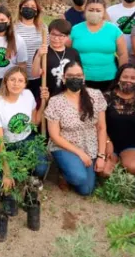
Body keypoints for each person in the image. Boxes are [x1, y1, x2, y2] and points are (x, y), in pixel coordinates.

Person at [44, 61, 109, 196]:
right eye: (71, 76)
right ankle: (63, 170)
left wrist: (101, 156)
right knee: (78, 178)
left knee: (87, 190)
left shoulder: (95, 96)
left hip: (89, 145)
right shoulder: (55, 101)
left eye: (79, 75)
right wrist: (80, 153)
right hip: (64, 146)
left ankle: (73, 168)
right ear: (63, 78)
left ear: (84, 77)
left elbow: (101, 127)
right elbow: (55, 136)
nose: (75, 79)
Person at [0, 67, 50, 190]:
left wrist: (43, 103)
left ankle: (25, 173)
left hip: (26, 139)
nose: (16, 84)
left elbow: (35, 122)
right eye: (12, 80)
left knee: (41, 167)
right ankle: (13, 169)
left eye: (20, 80)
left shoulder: (28, 95)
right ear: (5, 81)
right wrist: (6, 171)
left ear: (25, 83)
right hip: (6, 144)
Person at [69, 0, 128, 91]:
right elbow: (66, 51)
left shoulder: (114, 30)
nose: (94, 13)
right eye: (91, 10)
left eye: (98, 10)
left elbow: (122, 54)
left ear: (104, 12)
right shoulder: (75, 29)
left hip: (109, 78)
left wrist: (122, 75)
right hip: (80, 78)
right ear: (85, 10)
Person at [31, 19, 81, 96]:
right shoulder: (42, 52)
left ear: (67, 37)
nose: (56, 39)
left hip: (69, 94)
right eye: (53, 34)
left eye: (61, 35)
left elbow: (79, 74)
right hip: (48, 94)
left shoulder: (73, 52)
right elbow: (35, 74)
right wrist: (38, 56)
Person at [14, 0, 48, 104]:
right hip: (17, 76)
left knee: (35, 105)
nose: (29, 8)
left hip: (37, 75)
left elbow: (46, 49)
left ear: (37, 10)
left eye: (33, 6)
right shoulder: (13, 28)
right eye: (26, 6)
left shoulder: (43, 28)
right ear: (20, 8)